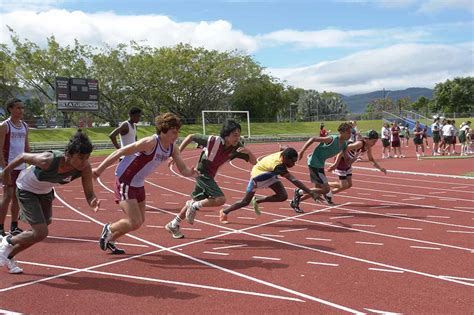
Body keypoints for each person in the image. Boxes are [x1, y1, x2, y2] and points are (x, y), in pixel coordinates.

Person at [93, 113, 198, 253]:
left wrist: (192, 172)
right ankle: (109, 229)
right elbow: (120, 152)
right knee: (134, 220)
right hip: (126, 181)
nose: (177, 135)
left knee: (139, 222)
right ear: (163, 130)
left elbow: (183, 169)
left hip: (138, 184)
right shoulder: (150, 142)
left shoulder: (173, 148)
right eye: (174, 132)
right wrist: (99, 170)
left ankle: (111, 239)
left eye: (178, 131)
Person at [0, 130, 99, 274]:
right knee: (41, 232)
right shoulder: (48, 160)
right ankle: (7, 241)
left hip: (45, 192)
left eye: (87, 158)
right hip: (26, 189)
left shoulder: (84, 168)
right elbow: (22, 156)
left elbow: (90, 193)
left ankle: (8, 256)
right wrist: (6, 172)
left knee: (39, 232)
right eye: (81, 158)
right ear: (69, 154)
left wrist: (93, 201)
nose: (85, 162)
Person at [165, 120, 257, 239]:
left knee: (196, 199)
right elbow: (191, 136)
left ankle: (174, 224)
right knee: (220, 199)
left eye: (239, 135)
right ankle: (193, 206)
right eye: (235, 135)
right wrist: (177, 154)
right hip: (202, 172)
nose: (237, 138)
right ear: (226, 134)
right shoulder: (213, 140)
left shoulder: (237, 147)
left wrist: (248, 152)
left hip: (211, 175)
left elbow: (254, 162)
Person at [220, 147, 319, 223]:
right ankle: (224, 212)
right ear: (284, 158)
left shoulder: (285, 153)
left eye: (294, 161)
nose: (293, 164)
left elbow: (284, 148)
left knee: (283, 196)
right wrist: (310, 192)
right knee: (245, 202)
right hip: (258, 177)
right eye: (292, 161)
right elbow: (293, 179)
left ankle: (258, 200)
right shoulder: (278, 165)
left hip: (269, 173)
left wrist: (282, 146)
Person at [290, 122, 352, 211]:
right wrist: (302, 151)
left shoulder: (344, 144)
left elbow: (347, 160)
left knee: (317, 191)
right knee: (326, 190)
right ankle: (299, 192)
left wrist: (354, 158)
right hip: (314, 163)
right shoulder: (331, 139)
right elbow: (313, 139)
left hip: (320, 164)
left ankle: (295, 201)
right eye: (348, 132)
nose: (350, 134)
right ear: (341, 132)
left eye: (351, 132)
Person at [327, 130, 387, 201]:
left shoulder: (369, 147)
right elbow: (342, 150)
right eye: (373, 141)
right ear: (367, 139)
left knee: (349, 185)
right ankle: (324, 184)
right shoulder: (359, 144)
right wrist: (335, 163)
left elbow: (371, 159)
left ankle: (329, 194)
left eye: (376, 141)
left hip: (348, 163)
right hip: (341, 162)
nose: (374, 143)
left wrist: (380, 168)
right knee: (343, 185)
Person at [0, 98, 30, 237]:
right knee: (7, 196)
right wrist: (4, 169)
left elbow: (26, 146)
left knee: (17, 198)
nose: (21, 110)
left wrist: (31, 163)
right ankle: (0, 228)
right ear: (10, 109)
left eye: (22, 108)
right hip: (8, 166)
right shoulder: (5, 126)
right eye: (18, 108)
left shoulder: (24, 125)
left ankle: (14, 226)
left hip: (22, 167)